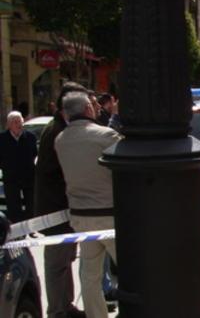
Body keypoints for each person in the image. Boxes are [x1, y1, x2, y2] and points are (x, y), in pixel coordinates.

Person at [55, 91, 121, 318]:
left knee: (90, 275)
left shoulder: (60, 140)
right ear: (87, 110)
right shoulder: (106, 136)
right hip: (109, 214)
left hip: (81, 217)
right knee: (133, 270)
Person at [34, 82, 88, 318]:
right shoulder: (57, 131)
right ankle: (57, 310)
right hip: (55, 210)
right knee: (57, 262)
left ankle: (66, 305)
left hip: (63, 208)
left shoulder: (61, 128)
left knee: (66, 259)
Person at [0, 111, 37, 223]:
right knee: (13, 207)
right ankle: (16, 231)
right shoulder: (2, 139)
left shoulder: (30, 137)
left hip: (28, 177)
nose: (19, 125)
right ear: (9, 125)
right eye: (15, 122)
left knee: (31, 205)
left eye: (20, 122)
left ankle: (31, 229)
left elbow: (34, 155)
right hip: (11, 178)